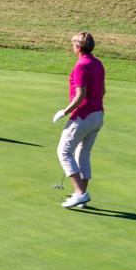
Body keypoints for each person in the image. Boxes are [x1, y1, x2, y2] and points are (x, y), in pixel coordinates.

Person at [52, 31, 105, 209]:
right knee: (83, 155)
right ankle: (81, 195)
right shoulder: (98, 63)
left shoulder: (81, 66)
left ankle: (81, 194)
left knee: (64, 152)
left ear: (78, 47)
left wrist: (65, 111)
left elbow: (80, 96)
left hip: (83, 115)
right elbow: (103, 91)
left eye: (73, 45)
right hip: (98, 115)